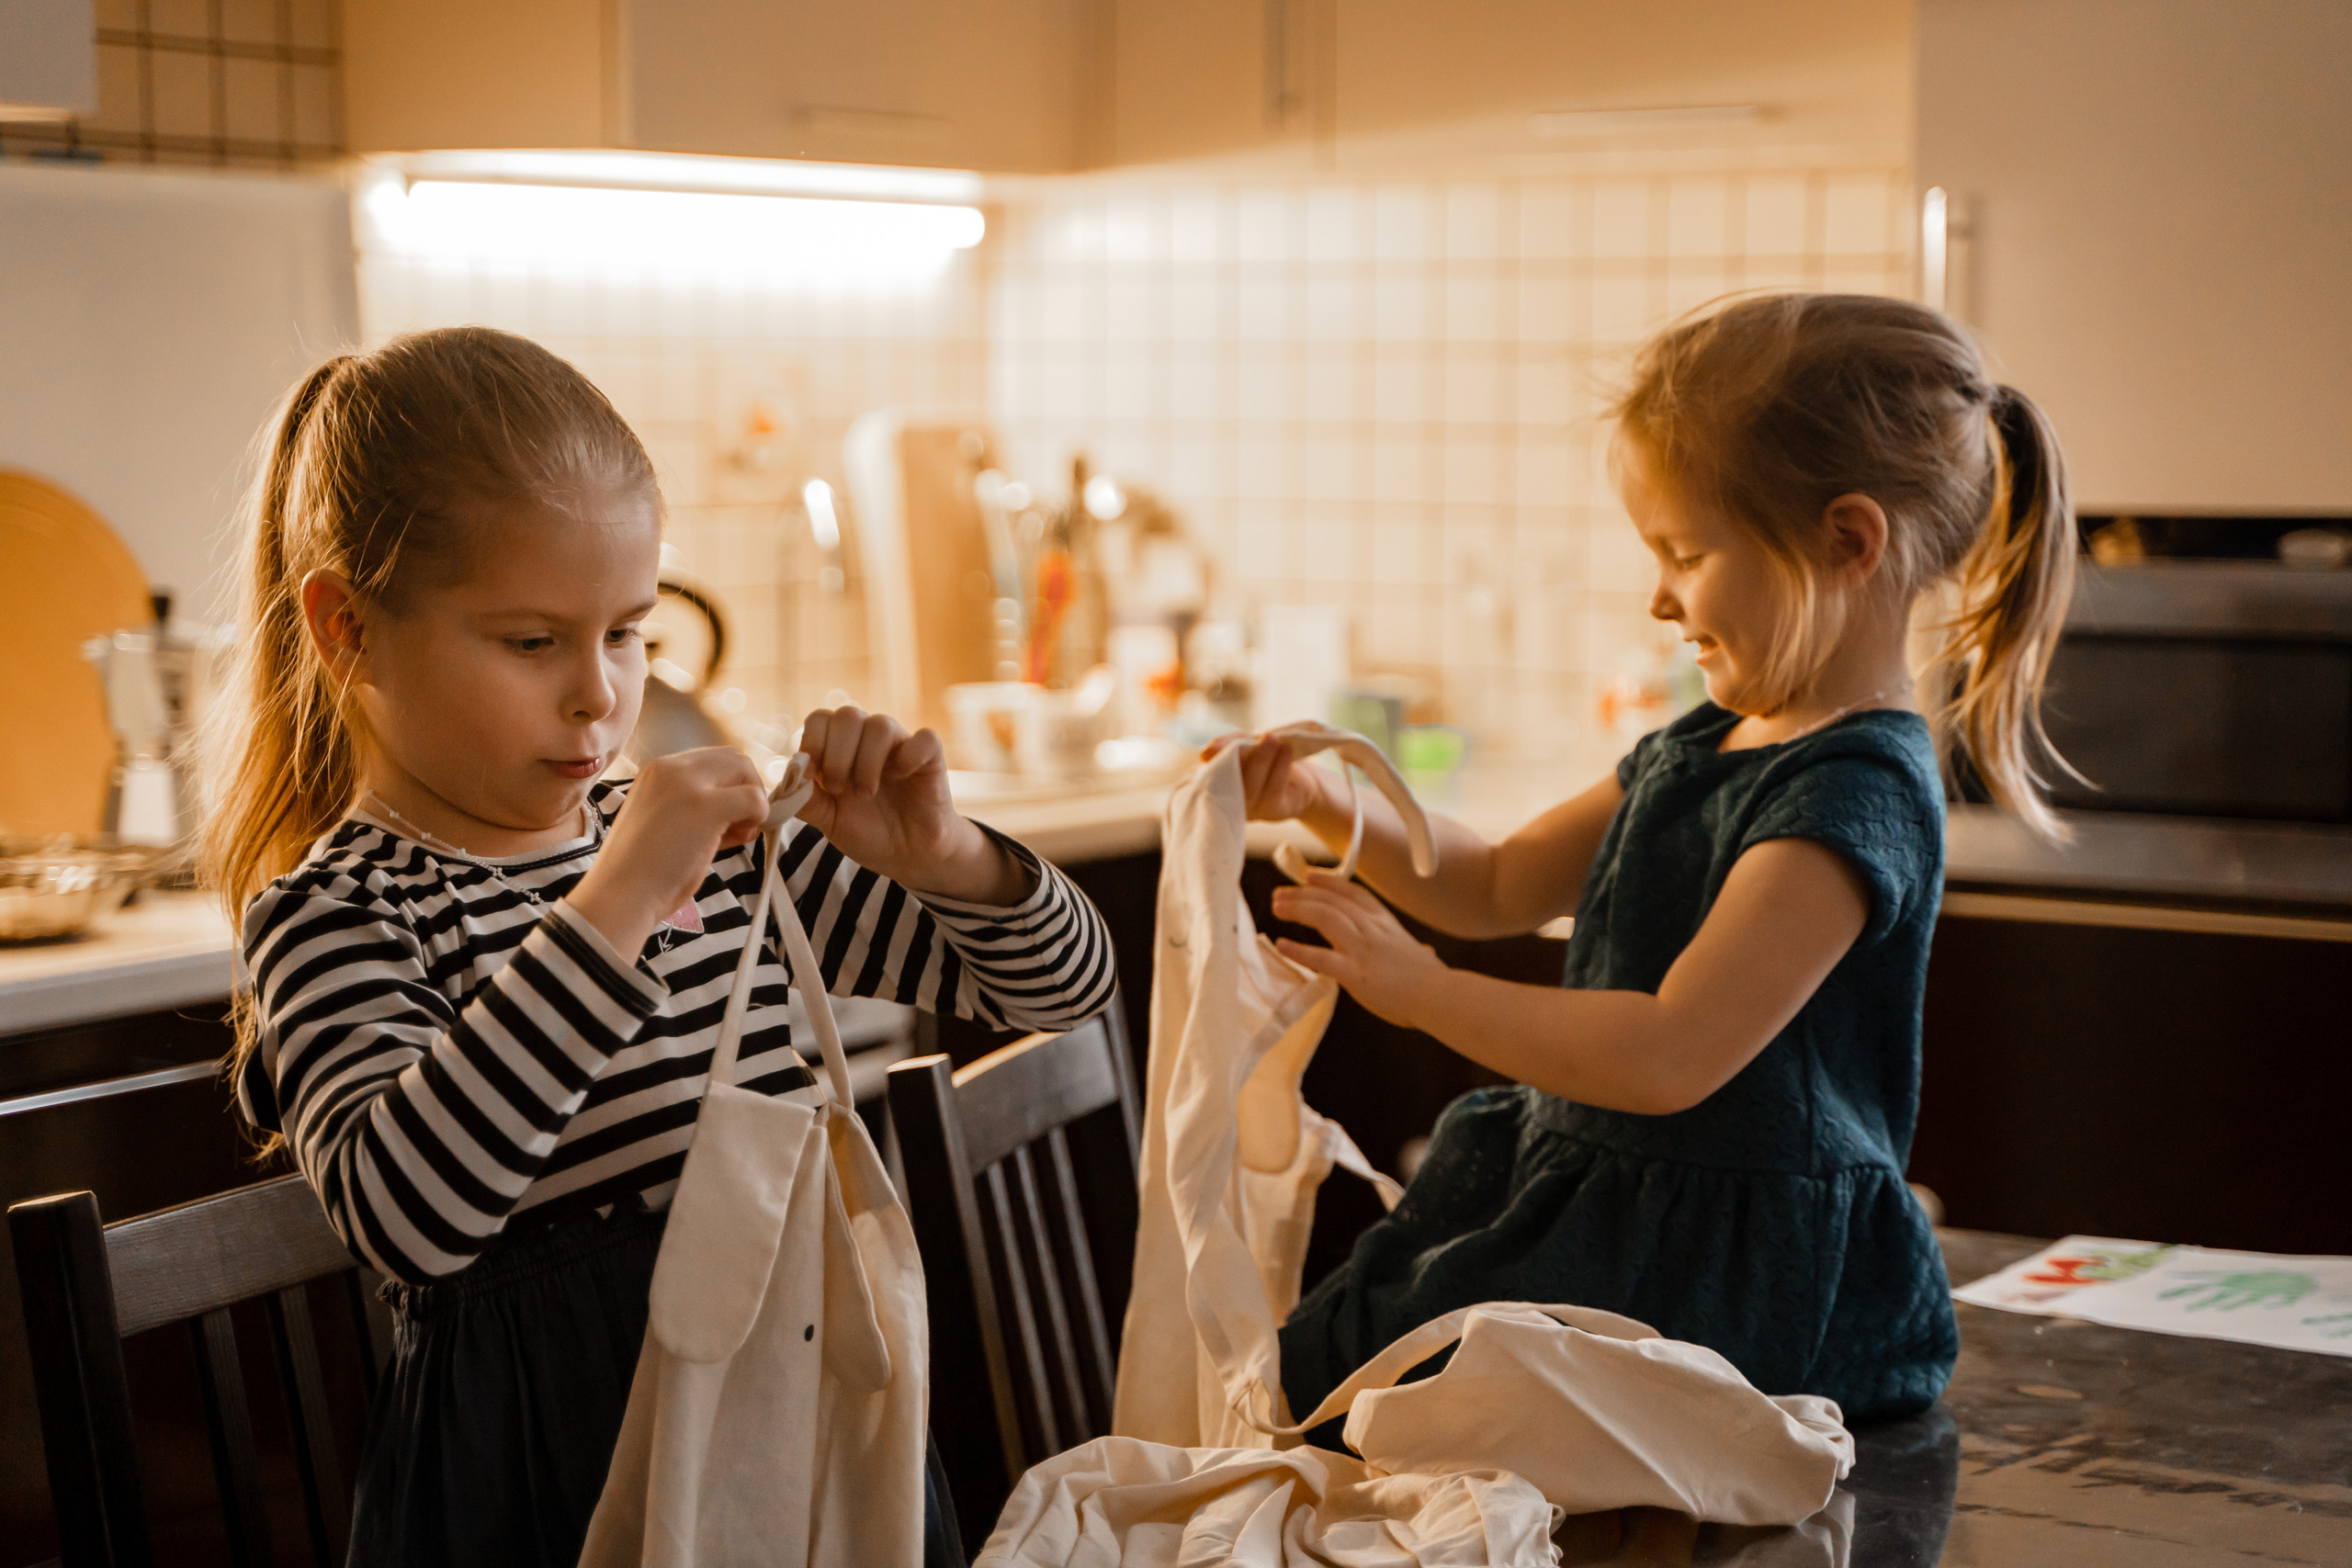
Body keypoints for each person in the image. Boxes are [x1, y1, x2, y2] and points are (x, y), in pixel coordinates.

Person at [200, 327, 1115, 1566]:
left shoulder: (726, 857)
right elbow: (410, 1209)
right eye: (533, 641)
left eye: (629, 632)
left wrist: (949, 856)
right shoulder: (338, 911)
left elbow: (1066, 987)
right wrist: (622, 890)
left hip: (801, 1448)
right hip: (546, 1483)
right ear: (347, 627)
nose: (598, 694)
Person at [1227, 293, 2075, 1425]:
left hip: (1731, 1278)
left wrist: (1420, 990)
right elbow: (1492, 884)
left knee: (1375, 1411)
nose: (1660, 597)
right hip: (1602, 1210)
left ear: (1846, 542)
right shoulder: (1708, 739)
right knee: (1329, 1386)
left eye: (1686, 553)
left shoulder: (1852, 790)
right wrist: (1327, 803)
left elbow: (1673, 1053)